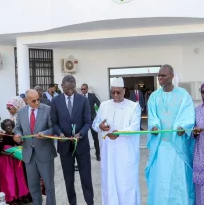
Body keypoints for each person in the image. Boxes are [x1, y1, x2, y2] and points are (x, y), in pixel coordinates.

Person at [145, 64, 195, 205]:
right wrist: (154, 126)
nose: (160, 78)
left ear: (171, 76)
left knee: (177, 179)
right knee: (161, 179)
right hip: (161, 147)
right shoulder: (154, 96)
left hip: (177, 146)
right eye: (159, 75)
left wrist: (183, 127)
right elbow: (152, 117)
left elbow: (188, 116)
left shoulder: (183, 94)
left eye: (163, 75)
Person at [92, 77, 141, 205]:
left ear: (124, 91)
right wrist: (100, 127)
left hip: (126, 155)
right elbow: (95, 124)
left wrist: (119, 133)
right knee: (110, 185)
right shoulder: (104, 105)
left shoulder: (134, 107)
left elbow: (135, 128)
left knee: (126, 185)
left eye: (118, 92)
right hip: (109, 154)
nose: (115, 95)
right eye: (113, 92)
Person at [51, 75, 94, 205]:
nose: (70, 90)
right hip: (65, 147)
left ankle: (89, 202)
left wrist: (81, 133)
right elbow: (54, 122)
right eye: (67, 88)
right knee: (69, 179)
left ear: (75, 85)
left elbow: (88, 122)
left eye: (72, 88)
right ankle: (72, 202)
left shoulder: (83, 100)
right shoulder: (55, 101)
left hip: (81, 145)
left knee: (86, 177)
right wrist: (60, 133)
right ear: (62, 86)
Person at [13, 89, 56, 205]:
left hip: (45, 154)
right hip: (29, 155)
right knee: (33, 185)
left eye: (38, 99)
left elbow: (54, 128)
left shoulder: (47, 110)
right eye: (33, 101)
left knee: (49, 186)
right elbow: (18, 128)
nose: (37, 103)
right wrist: (18, 135)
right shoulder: (21, 112)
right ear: (26, 100)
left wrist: (45, 133)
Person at [0, 119, 29, 205]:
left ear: (13, 125)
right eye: (6, 126)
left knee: (19, 179)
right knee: (9, 180)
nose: (9, 127)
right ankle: (11, 198)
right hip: (7, 162)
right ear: (4, 127)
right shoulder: (2, 137)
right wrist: (10, 154)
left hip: (17, 161)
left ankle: (21, 196)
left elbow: (20, 145)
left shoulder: (16, 135)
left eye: (10, 125)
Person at [81, 83, 101, 161]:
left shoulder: (92, 96)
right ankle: (84, 155)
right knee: (82, 138)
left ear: (87, 89)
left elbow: (99, 104)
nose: (83, 90)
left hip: (92, 120)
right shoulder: (79, 97)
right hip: (83, 121)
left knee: (95, 138)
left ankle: (98, 155)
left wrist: (99, 115)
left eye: (84, 89)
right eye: (82, 89)